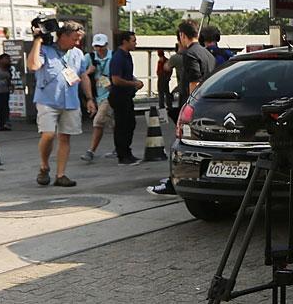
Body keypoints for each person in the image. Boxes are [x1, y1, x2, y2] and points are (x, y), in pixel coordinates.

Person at [149, 21, 216, 197]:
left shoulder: (190, 54)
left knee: (184, 146)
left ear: (182, 36)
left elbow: (194, 83)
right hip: (208, 106)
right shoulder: (208, 54)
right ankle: (189, 180)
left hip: (194, 108)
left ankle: (176, 183)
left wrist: (190, 110)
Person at [26, 20, 94, 188]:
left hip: (70, 101)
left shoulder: (77, 54)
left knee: (65, 137)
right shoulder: (45, 50)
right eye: (75, 38)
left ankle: (60, 175)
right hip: (47, 100)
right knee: (48, 134)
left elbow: (83, 76)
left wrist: (90, 98)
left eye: (79, 39)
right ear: (63, 36)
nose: (77, 42)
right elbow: (33, 65)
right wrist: (37, 40)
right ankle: (44, 165)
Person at [107, 30, 144, 164]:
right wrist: (133, 84)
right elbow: (116, 79)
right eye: (133, 40)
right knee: (122, 125)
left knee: (130, 124)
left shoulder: (127, 56)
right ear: (125, 41)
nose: (135, 43)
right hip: (119, 95)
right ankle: (122, 155)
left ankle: (127, 151)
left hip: (127, 95)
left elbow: (127, 75)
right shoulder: (118, 57)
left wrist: (135, 82)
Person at [81, 34, 113, 163]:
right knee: (114, 123)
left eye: (102, 46)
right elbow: (78, 75)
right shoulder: (89, 58)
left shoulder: (114, 56)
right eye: (96, 46)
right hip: (97, 95)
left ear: (106, 45)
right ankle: (120, 148)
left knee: (98, 121)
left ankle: (91, 151)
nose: (99, 49)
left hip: (110, 94)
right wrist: (89, 71)